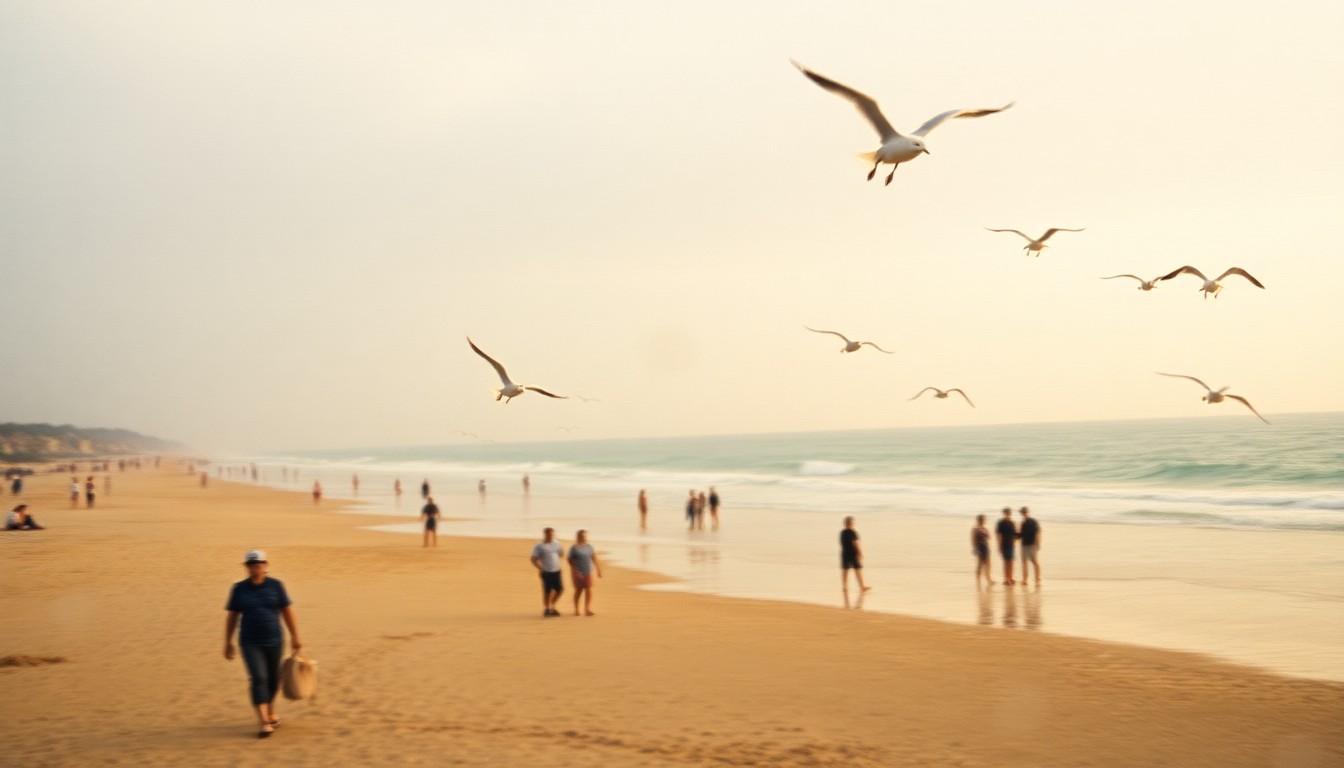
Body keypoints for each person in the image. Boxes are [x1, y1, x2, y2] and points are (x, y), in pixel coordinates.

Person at [223, 550, 301, 739]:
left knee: (273, 680)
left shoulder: (276, 586)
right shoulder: (239, 589)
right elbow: (232, 616)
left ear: (266, 565)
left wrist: (295, 636)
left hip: (275, 640)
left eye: (258, 564)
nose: (255, 567)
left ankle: (270, 710)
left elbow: (286, 611)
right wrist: (228, 642)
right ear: (246, 567)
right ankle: (264, 721)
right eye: (251, 564)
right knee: (258, 677)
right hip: (250, 641)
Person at [567, 529, 603, 616]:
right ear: (578, 537)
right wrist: (575, 571)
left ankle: (587, 609)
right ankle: (576, 609)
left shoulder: (589, 547)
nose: (585, 537)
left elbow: (594, 558)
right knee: (578, 591)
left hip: (588, 572)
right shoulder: (574, 548)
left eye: (585, 536)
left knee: (588, 590)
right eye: (583, 536)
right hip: (578, 572)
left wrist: (598, 569)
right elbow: (569, 560)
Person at [530, 528, 565, 617]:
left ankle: (551, 606)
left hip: (557, 570)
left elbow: (561, 553)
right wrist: (540, 568)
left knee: (560, 589)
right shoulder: (539, 545)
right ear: (545, 534)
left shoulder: (556, 543)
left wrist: (558, 556)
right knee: (547, 591)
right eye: (549, 534)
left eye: (552, 534)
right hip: (546, 572)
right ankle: (547, 609)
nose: (551, 536)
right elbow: (533, 559)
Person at [840, 516, 871, 604]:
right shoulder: (853, 532)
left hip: (844, 554)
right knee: (857, 571)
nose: (851, 524)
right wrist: (860, 553)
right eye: (851, 522)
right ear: (850, 523)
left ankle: (845, 587)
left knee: (845, 571)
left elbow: (842, 543)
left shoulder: (842, 532)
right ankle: (862, 587)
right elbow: (856, 543)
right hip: (853, 554)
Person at [1018, 507, 1042, 585]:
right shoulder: (1022, 523)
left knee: (1034, 561)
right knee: (1024, 562)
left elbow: (1038, 532)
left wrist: (1038, 543)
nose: (1023, 514)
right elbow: (1021, 535)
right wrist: (1014, 536)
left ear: (1026, 512)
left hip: (1032, 544)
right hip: (1024, 544)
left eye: (1024, 512)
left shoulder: (1033, 521)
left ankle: (1037, 577)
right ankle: (1025, 579)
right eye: (1022, 513)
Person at [995, 507, 1018, 586]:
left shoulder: (1012, 523)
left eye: (1009, 512)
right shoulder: (1001, 522)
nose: (1008, 514)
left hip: (1011, 545)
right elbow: (998, 534)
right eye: (1007, 512)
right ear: (1004, 513)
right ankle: (1006, 579)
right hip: (1004, 545)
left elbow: (1015, 534)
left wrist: (1015, 540)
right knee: (1006, 562)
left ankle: (1010, 578)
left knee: (1011, 562)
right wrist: (998, 545)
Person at [972, 514, 993, 588]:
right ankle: (978, 580)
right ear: (979, 520)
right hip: (980, 548)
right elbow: (973, 539)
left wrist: (987, 530)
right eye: (983, 519)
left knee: (988, 564)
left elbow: (989, 537)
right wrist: (974, 548)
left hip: (986, 547)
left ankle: (988, 578)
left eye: (984, 519)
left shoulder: (985, 528)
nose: (984, 521)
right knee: (980, 565)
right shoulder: (975, 529)